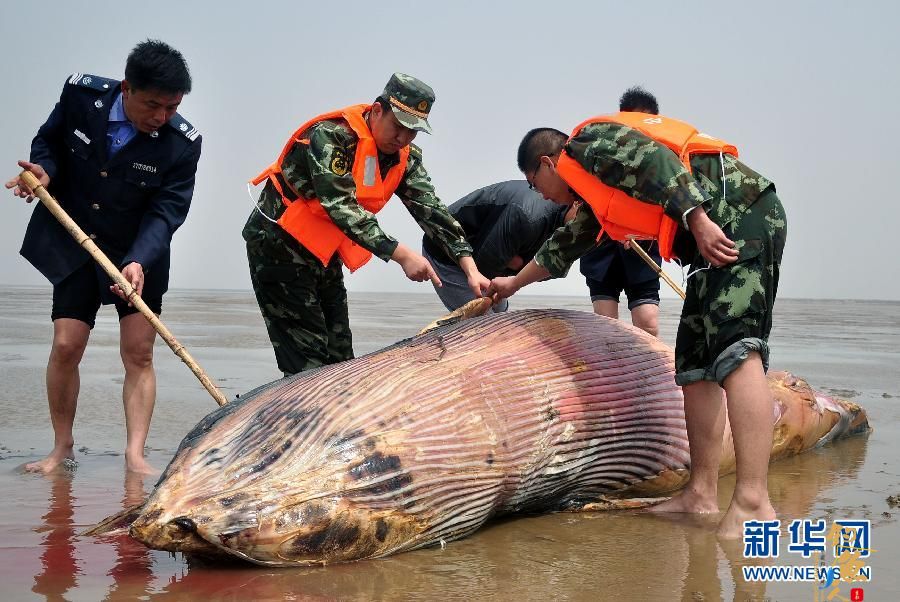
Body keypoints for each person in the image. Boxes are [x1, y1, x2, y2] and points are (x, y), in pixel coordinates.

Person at [489, 113, 786, 539]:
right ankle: (701, 493)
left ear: (547, 163)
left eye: (536, 185)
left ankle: (754, 503)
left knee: (737, 349)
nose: (545, 199)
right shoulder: (591, 193)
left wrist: (697, 221)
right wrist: (511, 283)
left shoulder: (588, 144)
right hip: (710, 230)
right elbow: (563, 248)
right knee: (696, 362)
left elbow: (657, 163)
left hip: (737, 215)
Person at [6, 40, 202, 474]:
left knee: (139, 353)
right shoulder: (81, 96)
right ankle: (61, 449)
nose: (162, 117)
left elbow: (167, 210)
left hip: (137, 254)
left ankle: (135, 455)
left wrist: (138, 260)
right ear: (127, 88)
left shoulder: (182, 143)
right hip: (75, 241)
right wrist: (44, 170)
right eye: (153, 105)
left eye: (172, 107)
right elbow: (49, 141)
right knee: (66, 345)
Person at [243, 73, 489, 376]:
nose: (402, 138)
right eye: (397, 126)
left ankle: (335, 418)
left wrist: (469, 268)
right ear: (376, 111)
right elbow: (340, 205)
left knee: (341, 356)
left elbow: (432, 210)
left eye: (412, 131)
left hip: (323, 253)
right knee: (307, 361)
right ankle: (301, 419)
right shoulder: (332, 137)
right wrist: (402, 255)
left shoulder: (403, 158)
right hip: (278, 246)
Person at [579, 85, 662, 336]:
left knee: (648, 322)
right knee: (606, 324)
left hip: (643, 246)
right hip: (602, 246)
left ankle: (652, 373)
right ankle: (611, 374)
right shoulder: (600, 150)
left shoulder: (663, 159)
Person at [422, 180, 577, 313]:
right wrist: (518, 269)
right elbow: (487, 262)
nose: (588, 225)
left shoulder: (581, 232)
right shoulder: (527, 215)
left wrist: (519, 267)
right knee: (484, 325)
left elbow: (551, 268)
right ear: (577, 203)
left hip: (493, 256)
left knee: (500, 313)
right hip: (446, 250)